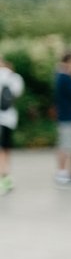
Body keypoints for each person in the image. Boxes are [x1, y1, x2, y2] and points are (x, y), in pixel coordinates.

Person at [53, 52, 71, 186]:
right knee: (66, 146)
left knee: (64, 145)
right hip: (68, 116)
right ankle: (62, 173)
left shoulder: (59, 76)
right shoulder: (66, 78)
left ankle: (62, 173)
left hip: (65, 116)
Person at [0, 55, 19, 196]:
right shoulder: (13, 77)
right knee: (6, 149)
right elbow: (17, 93)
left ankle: (4, 178)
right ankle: (7, 177)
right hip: (9, 119)